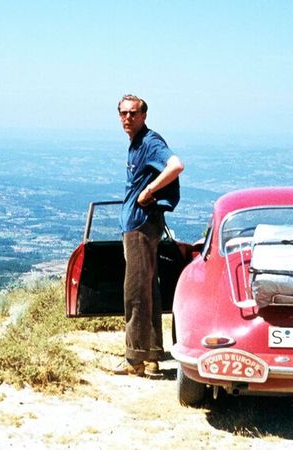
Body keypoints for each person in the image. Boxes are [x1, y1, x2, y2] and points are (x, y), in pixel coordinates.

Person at [112, 94, 184, 377]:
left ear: (144, 115)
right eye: (123, 113)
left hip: (141, 225)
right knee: (148, 289)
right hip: (141, 224)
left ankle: (135, 359)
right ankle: (152, 357)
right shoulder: (137, 144)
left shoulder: (151, 142)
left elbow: (176, 165)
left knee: (135, 293)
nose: (127, 118)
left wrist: (149, 191)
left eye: (133, 113)